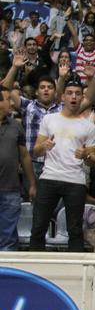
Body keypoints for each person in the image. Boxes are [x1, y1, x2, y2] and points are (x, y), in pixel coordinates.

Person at [30, 78, 95, 252]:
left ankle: (75, 272)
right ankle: (35, 270)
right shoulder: (49, 119)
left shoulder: (88, 126)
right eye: (69, 93)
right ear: (62, 97)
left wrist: (86, 156)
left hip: (75, 181)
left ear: (82, 97)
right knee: (38, 227)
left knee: (75, 230)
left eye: (77, 93)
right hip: (49, 177)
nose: (73, 97)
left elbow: (93, 159)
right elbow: (36, 151)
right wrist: (43, 147)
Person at [0, 87, 36, 251]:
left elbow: (25, 157)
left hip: (10, 189)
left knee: (7, 238)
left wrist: (32, 184)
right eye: (8, 99)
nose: (12, 103)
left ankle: (7, 275)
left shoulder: (16, 126)